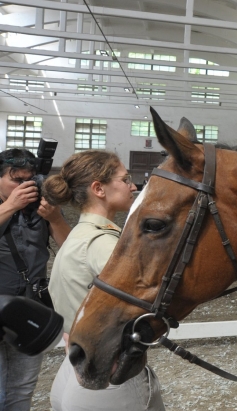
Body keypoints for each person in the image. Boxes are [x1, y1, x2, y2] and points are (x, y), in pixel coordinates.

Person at [43, 150, 165, 411]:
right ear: (98, 188)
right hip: (108, 376)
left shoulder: (82, 233)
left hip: (76, 365)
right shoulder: (103, 244)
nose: (133, 186)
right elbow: (150, 300)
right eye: (125, 179)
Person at [0, 148, 71, 411]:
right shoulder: (9, 204)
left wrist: (55, 217)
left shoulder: (39, 209)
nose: (25, 186)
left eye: (29, 179)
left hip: (29, 309)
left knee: (22, 388)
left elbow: (69, 248)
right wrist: (10, 206)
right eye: (16, 180)